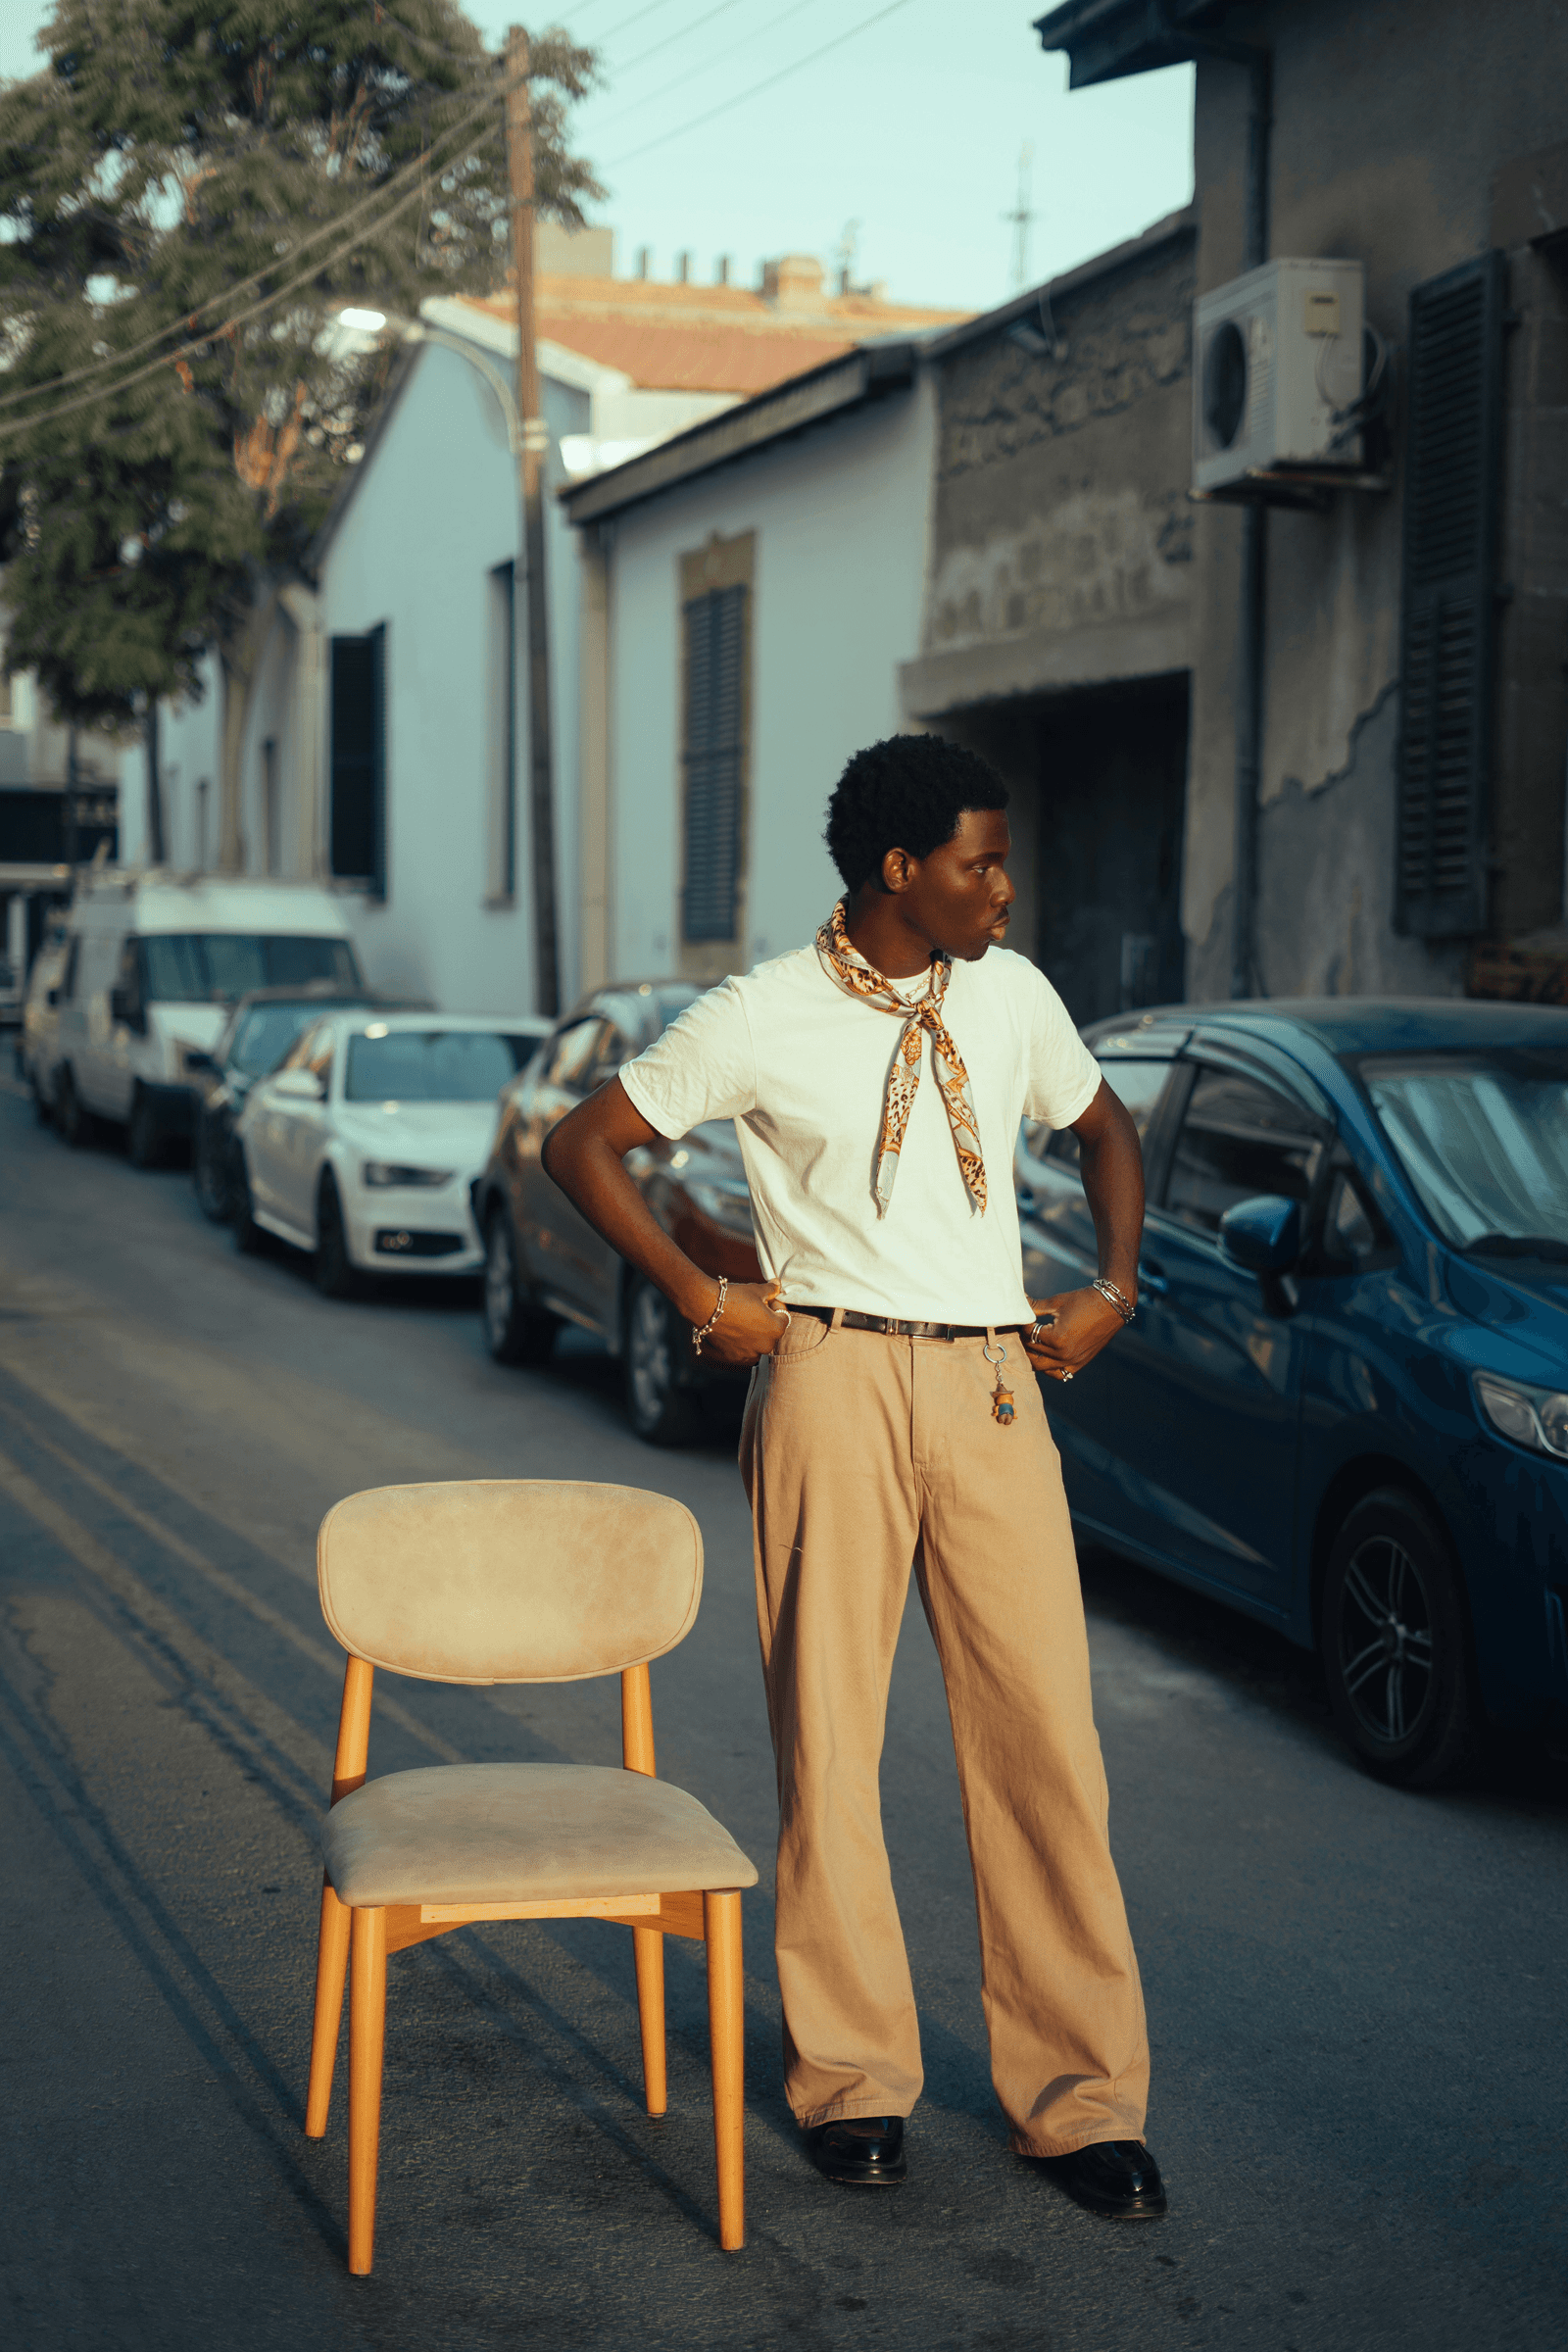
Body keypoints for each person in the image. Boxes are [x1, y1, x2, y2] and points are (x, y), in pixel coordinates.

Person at [543, 734, 1163, 2222]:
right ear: (900, 870)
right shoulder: (762, 1013)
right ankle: (853, 2080)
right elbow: (588, 1145)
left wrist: (1116, 1289)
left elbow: (1103, 1127)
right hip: (827, 1379)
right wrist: (704, 1296)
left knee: (1047, 1752)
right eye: (979, 862)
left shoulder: (1011, 995)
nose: (1004, 890)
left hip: (995, 1384)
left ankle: (1081, 2101)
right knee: (831, 1746)